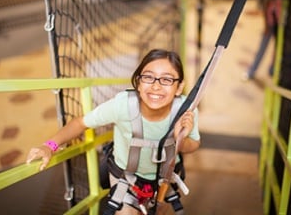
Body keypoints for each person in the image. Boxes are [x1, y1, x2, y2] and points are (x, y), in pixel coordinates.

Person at [26, 49, 201, 214]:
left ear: (179, 87)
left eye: (167, 79)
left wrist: (180, 138)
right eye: (148, 77)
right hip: (126, 178)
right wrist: (49, 146)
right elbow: (80, 123)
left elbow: (193, 145)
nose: (156, 86)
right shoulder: (122, 105)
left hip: (165, 180)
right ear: (138, 83)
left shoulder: (185, 111)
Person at [243, 0, 282, 80]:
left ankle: (272, 69)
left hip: (281, 25)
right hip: (270, 22)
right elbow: (266, 5)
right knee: (262, 48)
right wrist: (266, 24)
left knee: (278, 48)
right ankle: (251, 71)